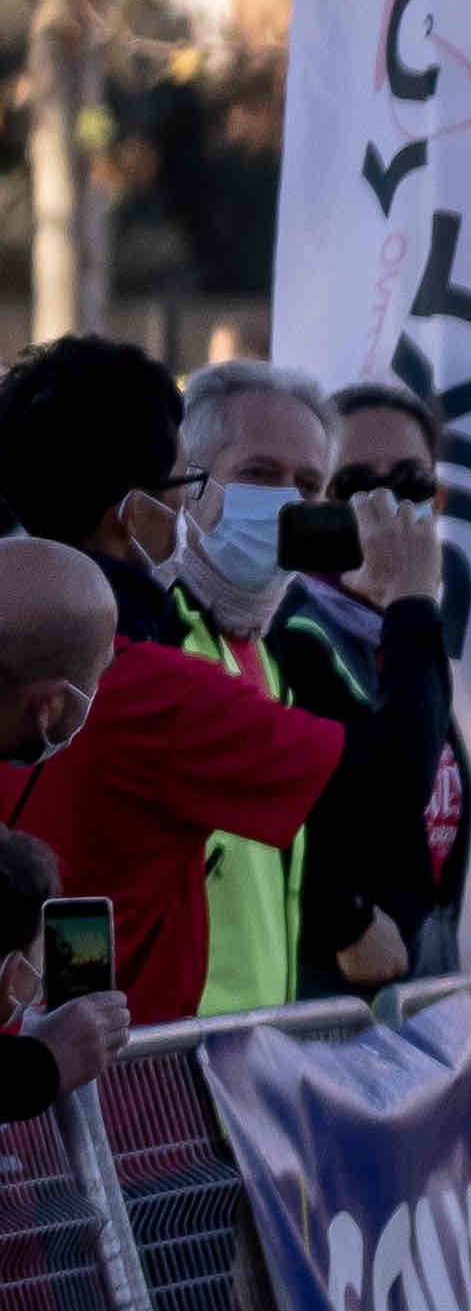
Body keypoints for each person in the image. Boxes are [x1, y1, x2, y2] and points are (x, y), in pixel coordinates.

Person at [0, 347, 394, 1021]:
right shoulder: (148, 669)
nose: (286, 506)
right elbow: (382, 786)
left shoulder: (268, 651)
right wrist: (409, 605)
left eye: (308, 485)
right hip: (148, 1071)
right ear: (136, 508)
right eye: (257, 475)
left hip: (171, 1054)